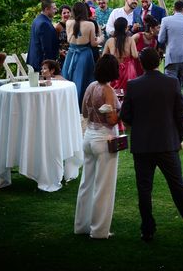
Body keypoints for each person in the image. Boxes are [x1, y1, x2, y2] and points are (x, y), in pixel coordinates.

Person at [120, 48, 183, 242]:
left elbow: (125, 115)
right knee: (176, 184)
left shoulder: (133, 85)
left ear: (141, 63)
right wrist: (180, 137)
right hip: (166, 142)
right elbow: (179, 114)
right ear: (159, 61)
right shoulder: (171, 83)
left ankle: (147, 228)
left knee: (144, 188)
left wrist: (139, 124)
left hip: (143, 144)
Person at [74, 54, 121, 239]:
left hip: (88, 137)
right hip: (104, 139)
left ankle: (81, 225)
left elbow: (85, 112)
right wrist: (122, 110)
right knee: (104, 186)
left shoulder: (90, 86)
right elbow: (111, 119)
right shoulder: (108, 90)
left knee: (86, 182)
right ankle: (100, 230)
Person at [62, 2, 98, 107]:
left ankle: (68, 105)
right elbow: (93, 43)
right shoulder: (90, 24)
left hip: (71, 53)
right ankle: (82, 105)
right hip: (84, 54)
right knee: (84, 81)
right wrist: (100, 39)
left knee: (70, 78)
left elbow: (69, 39)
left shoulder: (68, 22)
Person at [103, 17, 139, 92]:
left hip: (114, 69)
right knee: (128, 92)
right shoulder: (130, 40)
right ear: (126, 28)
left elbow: (104, 57)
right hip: (128, 70)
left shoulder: (110, 41)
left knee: (115, 92)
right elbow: (135, 55)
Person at [26, 0, 59, 72]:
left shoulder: (37, 20)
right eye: (54, 9)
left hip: (35, 61)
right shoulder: (44, 24)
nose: (56, 11)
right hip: (42, 64)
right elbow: (46, 47)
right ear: (47, 9)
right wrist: (49, 66)